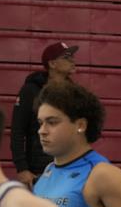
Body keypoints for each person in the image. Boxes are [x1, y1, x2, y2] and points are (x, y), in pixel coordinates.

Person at [12, 41, 78, 187]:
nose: (72, 60)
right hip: (38, 170)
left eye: (72, 56)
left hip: (69, 168)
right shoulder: (30, 91)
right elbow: (17, 130)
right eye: (67, 57)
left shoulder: (75, 92)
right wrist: (22, 168)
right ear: (52, 64)